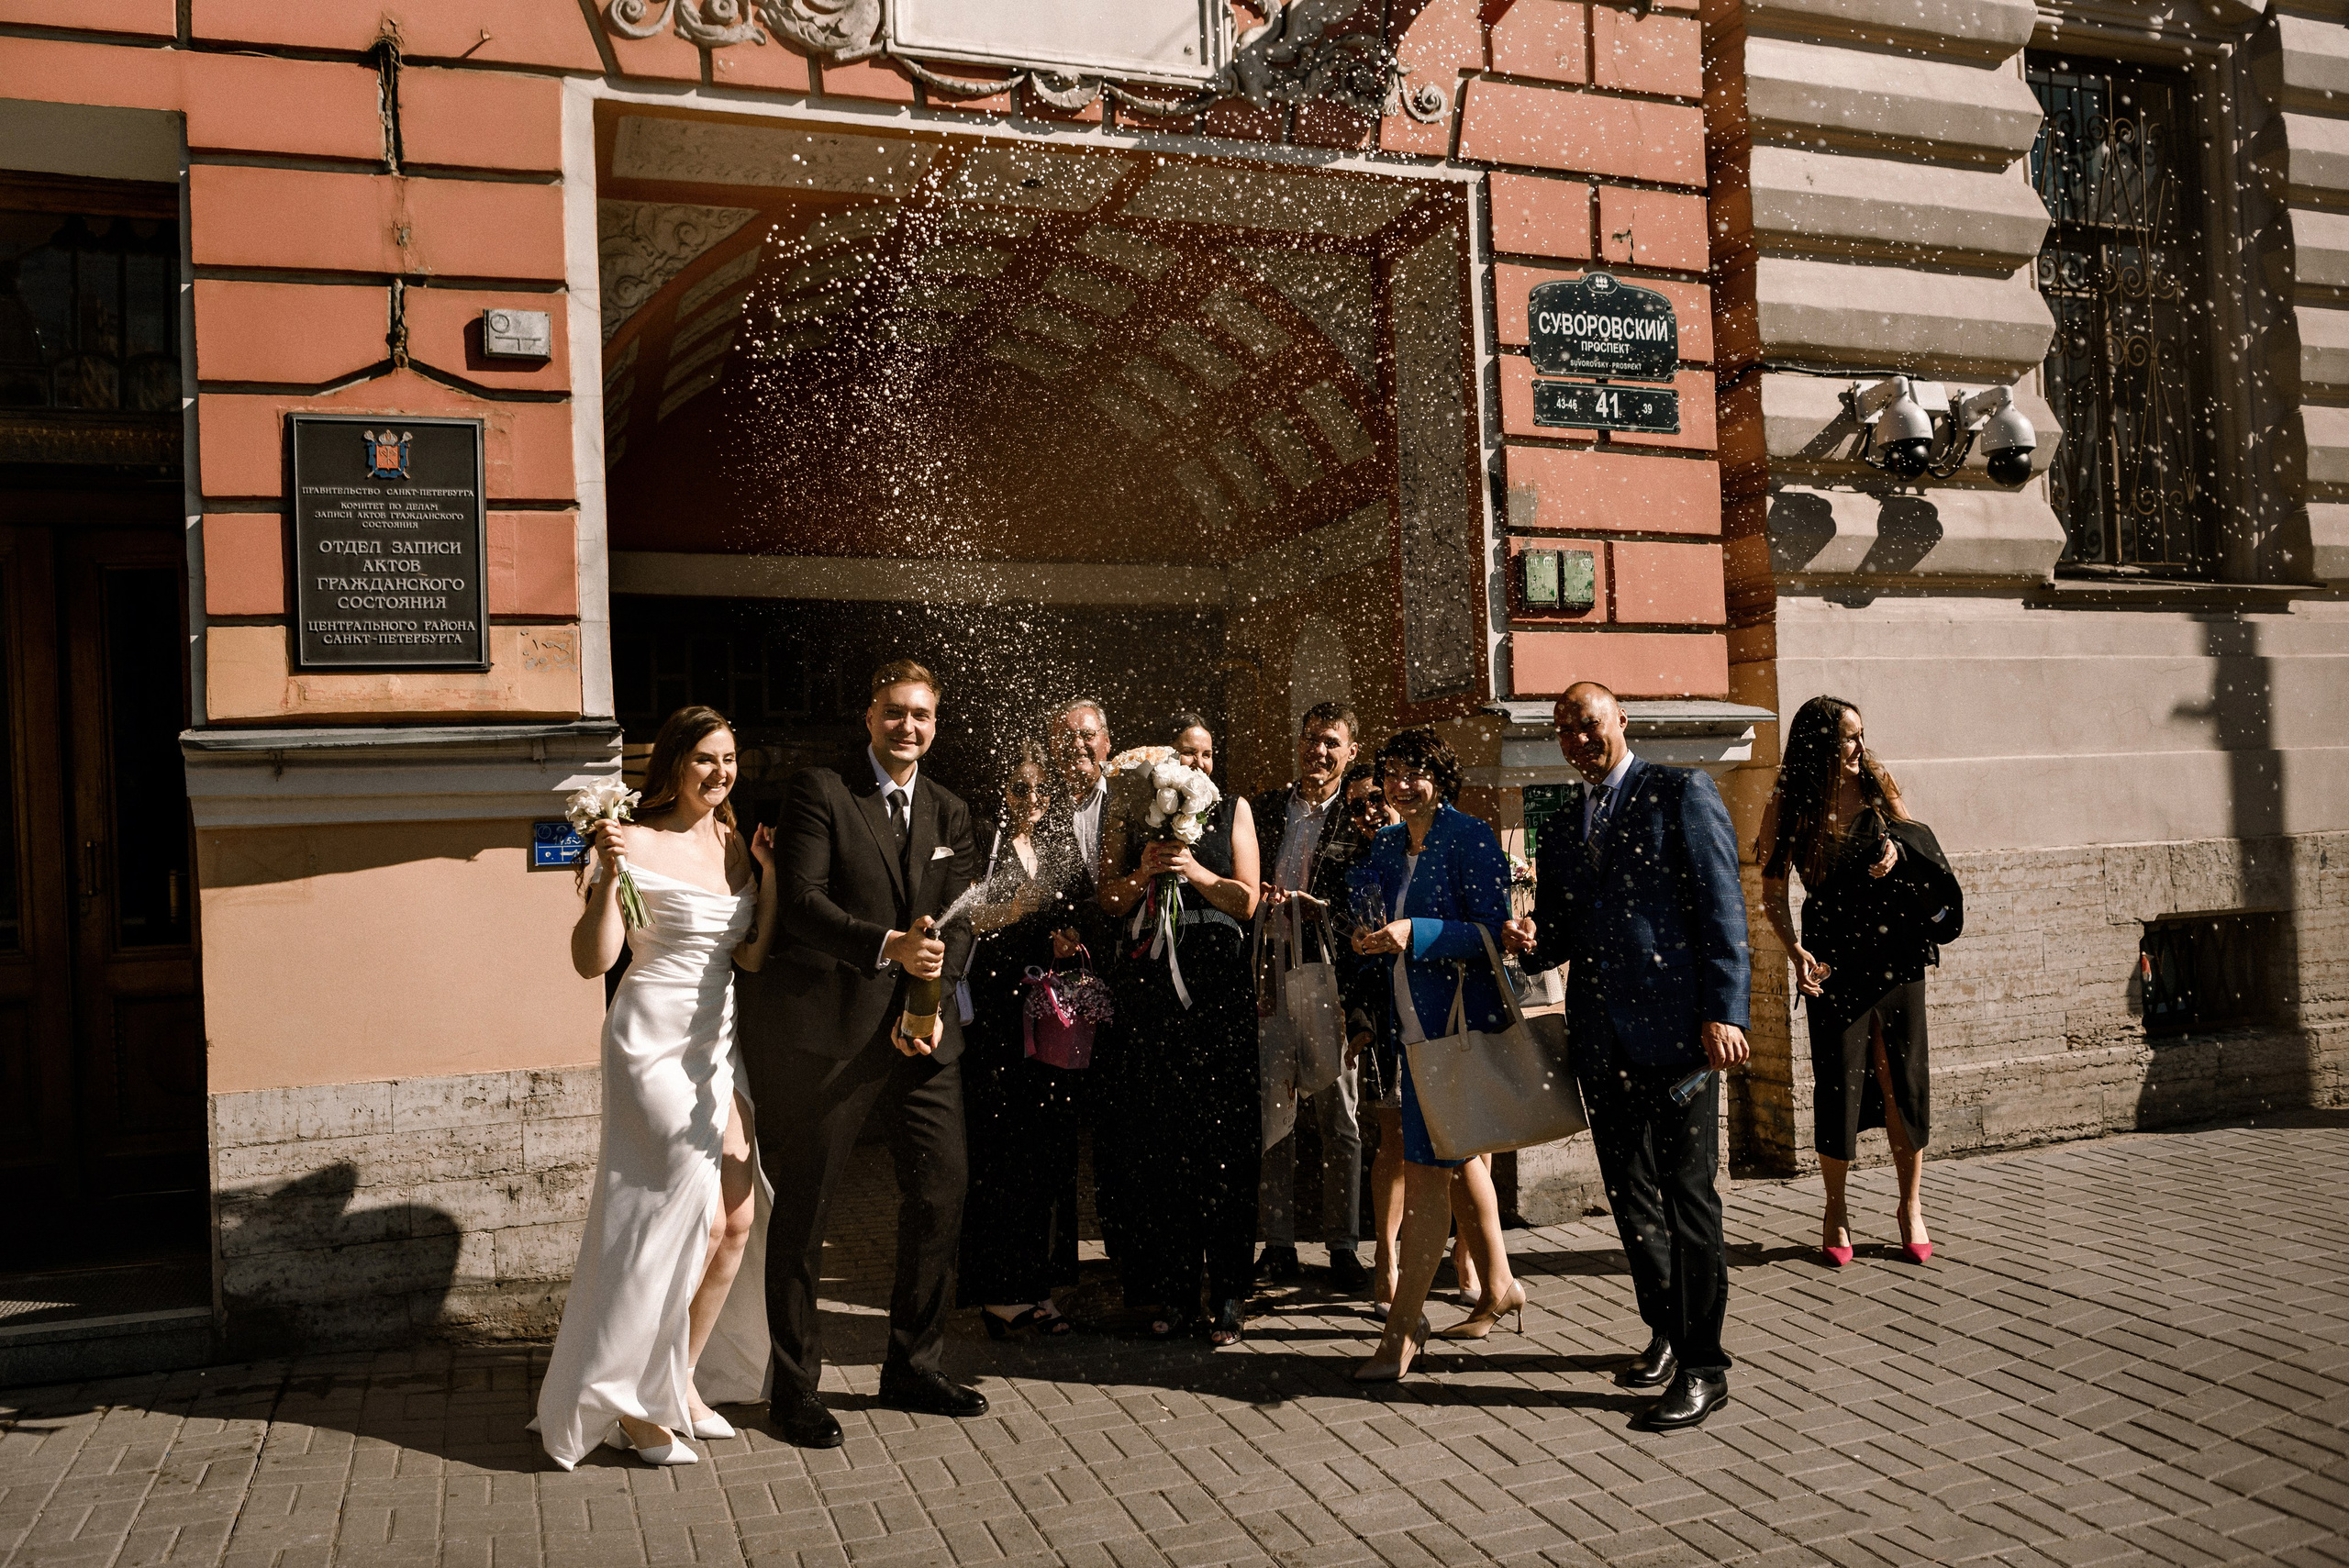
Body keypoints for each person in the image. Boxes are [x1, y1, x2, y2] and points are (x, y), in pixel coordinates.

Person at [735, 661, 985, 1450]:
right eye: (894, 712)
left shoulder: (951, 810)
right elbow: (804, 905)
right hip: (834, 1035)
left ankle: (913, 1364)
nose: (908, 726)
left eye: (921, 715)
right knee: (808, 1208)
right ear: (868, 717)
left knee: (941, 1190)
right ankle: (795, 1389)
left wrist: (933, 1001)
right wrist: (888, 946)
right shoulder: (822, 791)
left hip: (924, 1038)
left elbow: (962, 922)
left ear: (935, 724)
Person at [536, 706, 781, 1470]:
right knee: (672, 1218)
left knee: (737, 1216)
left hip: (716, 1042)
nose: (720, 772)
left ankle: (677, 1382)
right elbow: (592, 960)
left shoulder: (733, 843)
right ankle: (632, 1406)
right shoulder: (630, 839)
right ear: (674, 762)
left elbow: (749, 956)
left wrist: (769, 876)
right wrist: (609, 875)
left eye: (730, 758)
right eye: (706, 757)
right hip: (649, 1041)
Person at [1508, 681, 1750, 1431]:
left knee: (1688, 1199)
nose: (1577, 740)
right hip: (1601, 1041)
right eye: (1564, 731)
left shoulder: (1680, 791)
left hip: (1679, 1039)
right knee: (1632, 1196)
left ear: (1621, 720)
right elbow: (1563, 931)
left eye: (1588, 724)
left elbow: (1722, 905)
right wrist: (1530, 941)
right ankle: (1666, 1330)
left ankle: (1705, 1365)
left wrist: (1725, 1010)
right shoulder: (1561, 824)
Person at [1757, 695, 1962, 1269]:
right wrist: (1795, 951)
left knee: (1903, 1081)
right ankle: (1836, 1209)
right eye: (1848, 737)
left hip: (1897, 950)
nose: (1858, 747)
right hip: (1832, 959)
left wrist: (1896, 851)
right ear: (1819, 744)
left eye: (1860, 734)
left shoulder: (1876, 781)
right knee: (1839, 1084)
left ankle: (1911, 1206)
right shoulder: (1788, 803)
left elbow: (1918, 842)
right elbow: (1772, 890)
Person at [1344, 727, 1523, 1381]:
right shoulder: (1387, 843)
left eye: (1414, 772)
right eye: (1392, 772)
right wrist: (1364, 933)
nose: (1401, 784)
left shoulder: (1469, 837)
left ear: (1440, 778)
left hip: (1454, 1035)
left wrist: (1414, 932)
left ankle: (1402, 1330)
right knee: (1450, 1163)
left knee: (1427, 1181)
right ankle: (1498, 1285)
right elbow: (1368, 908)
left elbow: (1489, 935)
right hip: (1409, 1035)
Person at [1097, 712, 1262, 1345]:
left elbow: (1247, 901)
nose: (1198, 764)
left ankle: (1229, 1291)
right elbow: (1109, 900)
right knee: (1162, 1143)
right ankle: (1173, 1286)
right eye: (1186, 753)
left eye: (1207, 753)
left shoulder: (1234, 811)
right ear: (1163, 759)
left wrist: (1193, 872)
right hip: (1153, 997)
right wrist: (1145, 873)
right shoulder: (1133, 816)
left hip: (1218, 993)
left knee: (1225, 1143)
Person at [959, 742, 1085, 1338]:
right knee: (1000, 1156)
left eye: (1040, 789)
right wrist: (1013, 910)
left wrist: (1068, 937)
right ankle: (999, 1293)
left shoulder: (1059, 846)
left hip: (1047, 1021)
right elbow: (964, 918)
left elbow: (1081, 913)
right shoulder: (984, 843)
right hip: (996, 1023)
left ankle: (1038, 1286)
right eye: (1019, 788)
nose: (1031, 799)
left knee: (1046, 1158)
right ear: (1002, 792)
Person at [1252, 701, 1368, 1291]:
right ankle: (1277, 1244)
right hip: (1270, 971)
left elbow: (1370, 903)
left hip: (1330, 974)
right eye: (1310, 739)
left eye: (1331, 742)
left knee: (1338, 1115)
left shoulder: (1359, 816)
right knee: (1274, 1114)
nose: (1318, 752)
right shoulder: (1266, 809)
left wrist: (1328, 912)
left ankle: (1343, 1245)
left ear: (1350, 752)